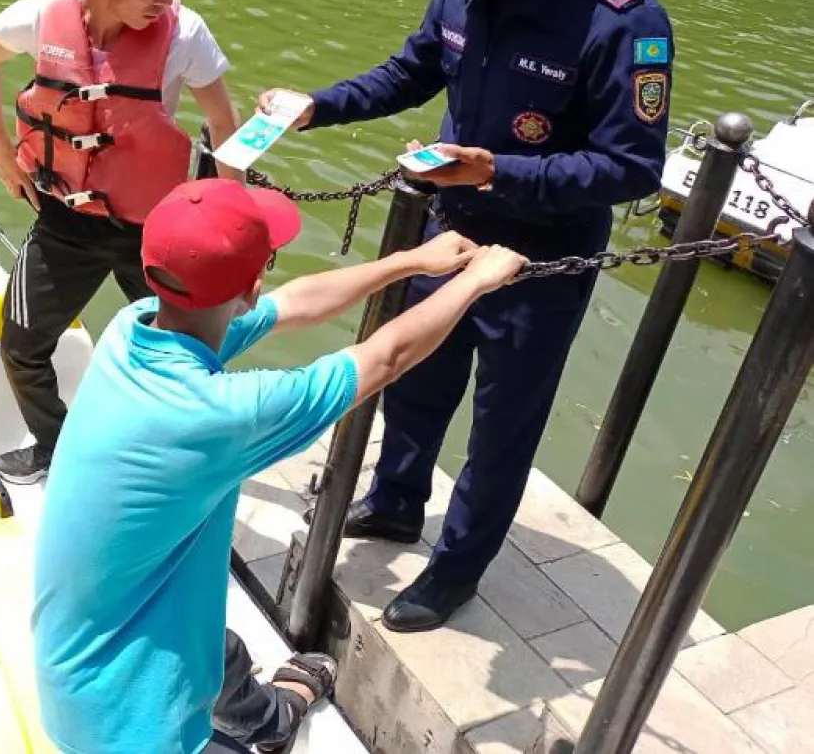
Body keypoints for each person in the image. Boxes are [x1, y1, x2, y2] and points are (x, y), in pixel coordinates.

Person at [258, 0, 674, 632]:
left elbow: (632, 168)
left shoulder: (622, 20)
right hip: (448, 234)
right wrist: (317, 105)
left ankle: (458, 568)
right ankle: (397, 500)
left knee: (502, 423)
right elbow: (413, 70)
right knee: (417, 379)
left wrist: (499, 170)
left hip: (539, 263)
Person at [32, 178, 525, 754]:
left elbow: (293, 305)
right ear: (250, 285)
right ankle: (269, 723)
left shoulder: (133, 327)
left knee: (212, 644)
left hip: (72, 661)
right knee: (202, 660)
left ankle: (272, 715)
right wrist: (476, 282)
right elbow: (386, 358)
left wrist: (409, 262)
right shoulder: (221, 416)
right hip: (134, 727)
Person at [0, 0, 241, 485]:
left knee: (187, 358)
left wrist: (233, 233)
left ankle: (173, 460)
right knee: (20, 347)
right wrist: (0, 156)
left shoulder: (184, 33)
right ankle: (58, 448)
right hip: (66, 220)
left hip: (156, 228)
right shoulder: (44, 14)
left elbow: (224, 123)